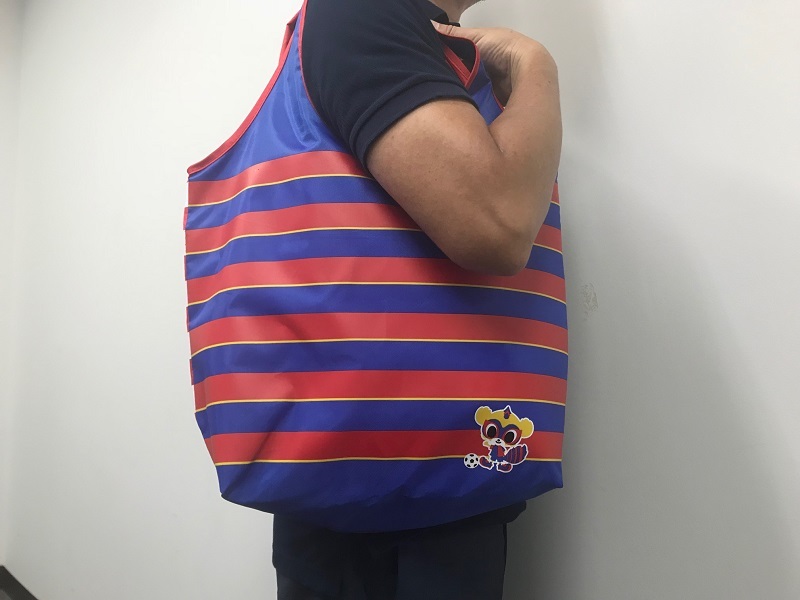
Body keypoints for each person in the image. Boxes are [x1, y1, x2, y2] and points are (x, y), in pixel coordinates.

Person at [272, 0, 562, 598]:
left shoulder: (405, 37)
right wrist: (534, 64)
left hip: (437, 473)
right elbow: (498, 224)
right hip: (386, 503)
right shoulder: (359, 12)